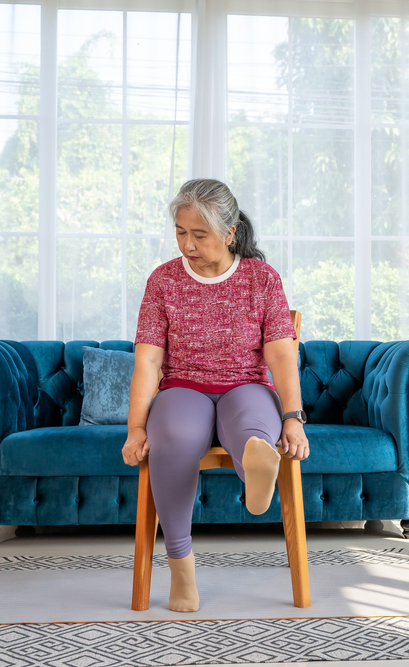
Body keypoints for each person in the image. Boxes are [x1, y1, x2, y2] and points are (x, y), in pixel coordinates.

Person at [121, 178, 309, 613]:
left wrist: (294, 417)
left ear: (229, 233)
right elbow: (148, 362)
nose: (187, 244)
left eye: (199, 235)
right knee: (173, 437)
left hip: (246, 383)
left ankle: (257, 472)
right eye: (181, 232)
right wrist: (135, 428)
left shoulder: (261, 278)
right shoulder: (163, 281)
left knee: (253, 430)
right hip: (183, 386)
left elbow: (281, 356)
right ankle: (182, 570)